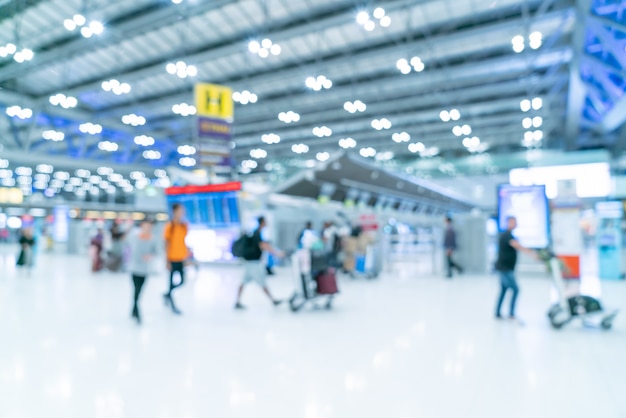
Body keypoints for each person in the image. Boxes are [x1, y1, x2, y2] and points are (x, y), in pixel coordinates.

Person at [234, 216, 283, 310]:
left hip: (248, 263)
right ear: (262, 222)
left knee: (243, 282)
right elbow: (263, 245)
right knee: (262, 283)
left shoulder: (254, 233)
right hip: (254, 264)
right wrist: (277, 253)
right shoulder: (258, 233)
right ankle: (273, 300)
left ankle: (237, 302)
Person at [494, 216, 536, 320]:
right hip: (505, 268)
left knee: (504, 290)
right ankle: (511, 313)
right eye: (512, 222)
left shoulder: (509, 235)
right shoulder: (507, 236)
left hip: (506, 267)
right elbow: (518, 246)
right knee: (516, 289)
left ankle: (498, 312)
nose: (515, 224)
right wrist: (532, 254)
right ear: (508, 223)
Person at [128, 218, 158, 324]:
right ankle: (137, 312)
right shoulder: (135, 236)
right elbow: (133, 251)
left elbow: (156, 251)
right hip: (134, 268)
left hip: (145, 270)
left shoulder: (152, 238)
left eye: (150, 226)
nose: (148, 227)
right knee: (136, 290)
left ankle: (133, 309)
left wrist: (150, 256)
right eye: (146, 225)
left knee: (139, 291)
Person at [163, 204, 188, 315]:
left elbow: (183, 242)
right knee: (171, 282)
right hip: (172, 258)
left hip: (181, 258)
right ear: (174, 211)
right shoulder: (170, 226)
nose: (182, 212)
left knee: (182, 281)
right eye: (180, 210)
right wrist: (167, 260)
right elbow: (166, 243)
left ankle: (167, 294)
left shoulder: (184, 226)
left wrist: (186, 257)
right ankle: (172, 305)